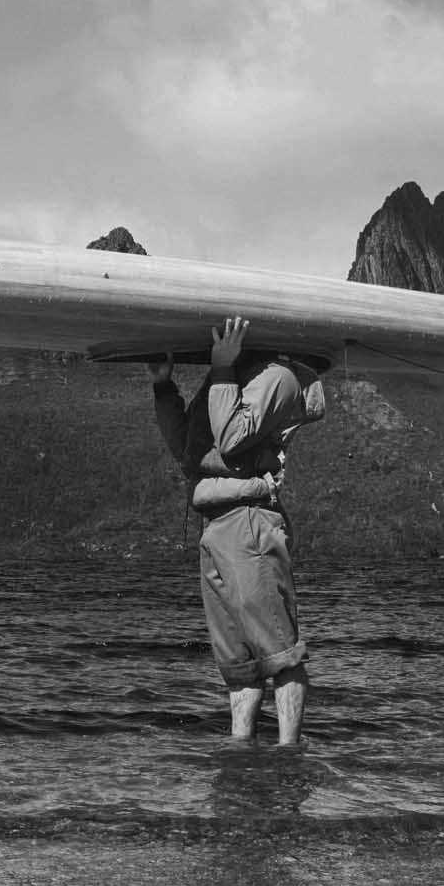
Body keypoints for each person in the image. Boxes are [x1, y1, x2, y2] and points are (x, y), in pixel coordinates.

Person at [150, 315, 330, 745]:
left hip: (249, 522)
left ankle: (289, 758)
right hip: (214, 526)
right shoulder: (226, 379)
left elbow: (231, 438)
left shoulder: (280, 376)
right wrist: (163, 387)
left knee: (280, 654)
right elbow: (188, 452)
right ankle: (241, 754)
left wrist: (224, 367)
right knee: (238, 663)